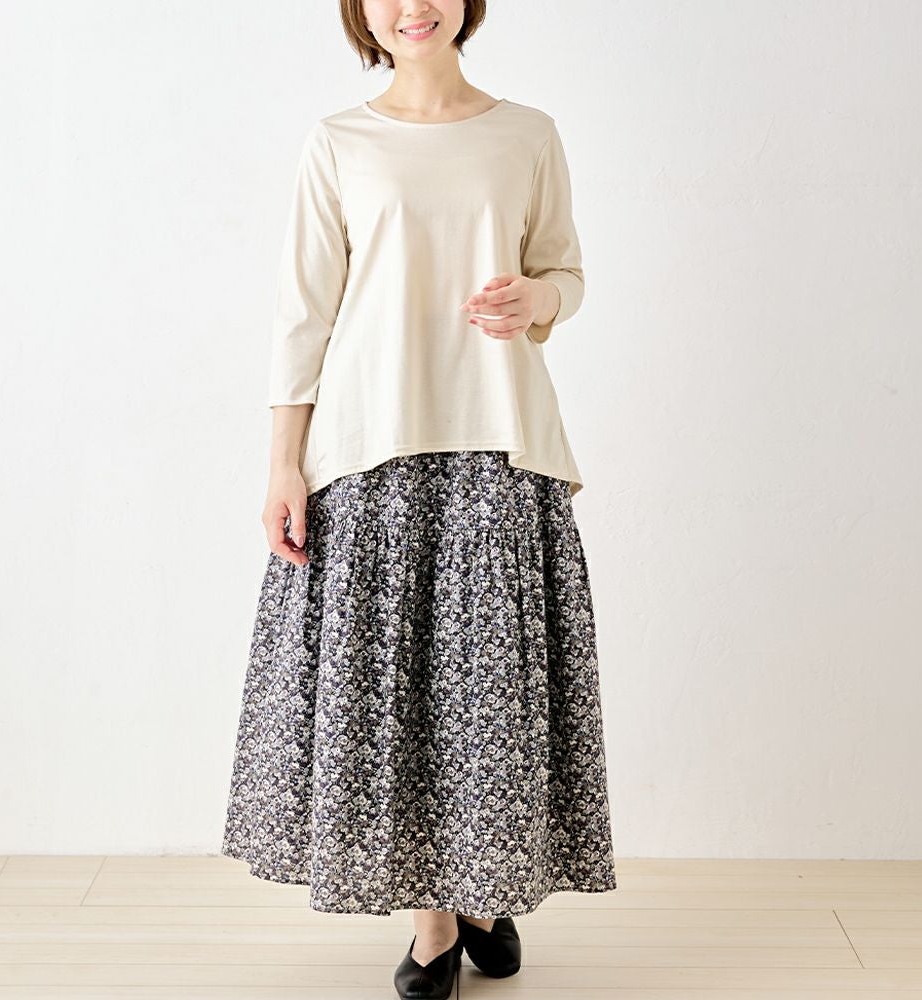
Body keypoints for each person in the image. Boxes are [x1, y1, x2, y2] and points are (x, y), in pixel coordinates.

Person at [221, 2, 618, 997]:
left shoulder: (527, 134)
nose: (413, 5)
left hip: (500, 444)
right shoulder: (339, 142)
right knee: (395, 697)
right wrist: (283, 464)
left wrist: (539, 299)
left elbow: (564, 271)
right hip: (370, 448)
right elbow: (303, 313)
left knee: (485, 700)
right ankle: (434, 920)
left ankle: (482, 894)